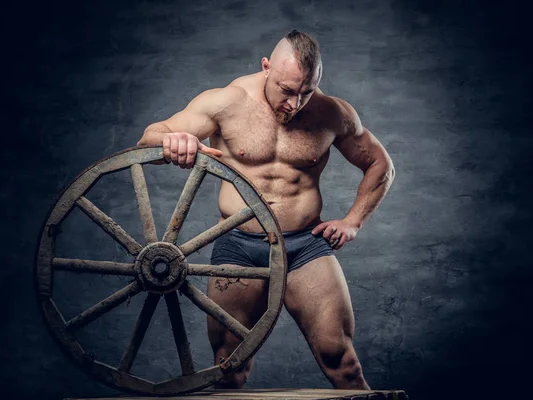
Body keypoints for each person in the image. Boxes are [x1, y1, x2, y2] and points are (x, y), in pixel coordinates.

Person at [137, 29, 395, 389]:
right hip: (240, 246)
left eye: (305, 92)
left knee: (344, 364)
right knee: (230, 367)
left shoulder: (333, 113)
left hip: (304, 246)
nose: (295, 103)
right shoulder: (227, 102)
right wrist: (172, 139)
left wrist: (353, 222)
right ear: (266, 67)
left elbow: (381, 165)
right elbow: (151, 136)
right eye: (286, 90)